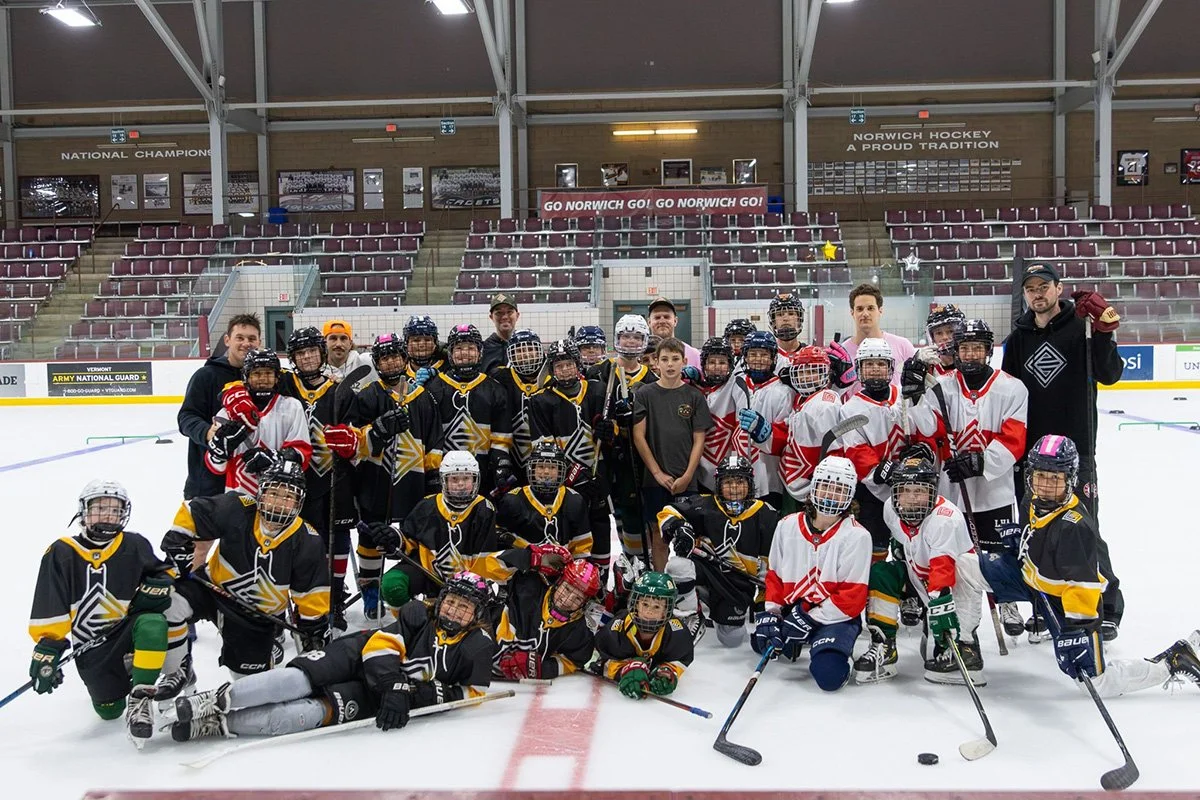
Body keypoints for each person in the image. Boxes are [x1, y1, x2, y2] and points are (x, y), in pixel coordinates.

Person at [976, 435, 1199, 697]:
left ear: (1070, 480)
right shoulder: (1030, 500)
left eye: (1055, 478)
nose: (1045, 485)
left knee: (1096, 684)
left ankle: (1173, 660)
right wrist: (1021, 543)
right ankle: (963, 645)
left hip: (1067, 603)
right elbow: (1039, 541)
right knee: (967, 567)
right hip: (1032, 582)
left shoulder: (1074, 526)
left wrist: (1076, 629)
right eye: (1040, 476)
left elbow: (1083, 587)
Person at [169, 571, 496, 741]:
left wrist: (425, 696)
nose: (453, 610)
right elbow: (380, 647)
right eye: (451, 601)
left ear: (477, 614)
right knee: (294, 680)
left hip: (379, 693)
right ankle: (212, 701)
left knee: (307, 713)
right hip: (357, 655)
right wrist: (396, 687)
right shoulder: (418, 613)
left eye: (464, 607)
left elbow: (474, 692)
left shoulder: (478, 646)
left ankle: (217, 724)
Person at [1001, 263, 1125, 641]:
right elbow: (1008, 396)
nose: (1037, 293)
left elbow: (1110, 374)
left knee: (1084, 530)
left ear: (1059, 288)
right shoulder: (1017, 340)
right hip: (1033, 458)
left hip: (1077, 453)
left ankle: (1106, 606)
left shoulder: (1082, 328)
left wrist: (1103, 334)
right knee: (1038, 533)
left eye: (1044, 286)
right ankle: (1048, 608)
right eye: (1031, 288)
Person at [28, 481, 180, 746]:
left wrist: (160, 585)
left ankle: (141, 698)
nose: (108, 516)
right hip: (92, 648)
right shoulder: (62, 552)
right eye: (100, 509)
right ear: (84, 512)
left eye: (115, 510)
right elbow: (50, 602)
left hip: (126, 633)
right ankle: (123, 679)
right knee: (109, 711)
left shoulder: (134, 544)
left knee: (152, 624)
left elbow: (163, 572)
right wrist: (48, 649)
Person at [905, 320, 1027, 638]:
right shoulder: (942, 387)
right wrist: (913, 397)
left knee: (999, 553)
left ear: (988, 351)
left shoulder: (1012, 388)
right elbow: (927, 428)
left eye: (977, 348)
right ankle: (959, 610)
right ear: (956, 351)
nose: (970, 354)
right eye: (965, 348)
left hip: (994, 489)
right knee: (956, 556)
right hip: (952, 489)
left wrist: (979, 462)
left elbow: (1014, 439)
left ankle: (1006, 601)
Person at [162, 459, 331, 680]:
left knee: (249, 685)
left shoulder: (308, 540)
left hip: (255, 617)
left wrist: (314, 625)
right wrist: (178, 539)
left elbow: (312, 593)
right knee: (168, 602)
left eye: (288, 497)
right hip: (211, 590)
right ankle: (177, 670)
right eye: (273, 493)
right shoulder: (238, 507)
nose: (279, 503)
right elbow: (193, 511)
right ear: (261, 493)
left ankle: (265, 652)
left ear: (299, 502)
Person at [327, 334, 442, 621]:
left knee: (415, 537)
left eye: (395, 356)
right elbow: (353, 443)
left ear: (404, 359)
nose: (391, 362)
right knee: (371, 537)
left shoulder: (423, 398)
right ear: (377, 364)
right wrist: (377, 430)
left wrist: (433, 477)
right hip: (374, 480)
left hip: (414, 482)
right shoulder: (368, 396)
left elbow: (434, 441)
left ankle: (416, 587)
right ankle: (371, 591)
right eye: (384, 358)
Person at [365, 451, 568, 613]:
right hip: (429, 575)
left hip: (469, 580)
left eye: (466, 478)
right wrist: (394, 538)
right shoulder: (427, 505)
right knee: (392, 584)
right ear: (443, 480)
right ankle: (412, 623)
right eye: (454, 479)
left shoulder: (484, 509)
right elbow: (408, 543)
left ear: (476, 480)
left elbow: (484, 560)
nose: (461, 484)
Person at [854, 452, 989, 685]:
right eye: (905, 490)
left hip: (956, 587)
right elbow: (902, 541)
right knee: (882, 573)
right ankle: (884, 645)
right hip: (920, 579)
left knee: (946, 643)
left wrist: (940, 609)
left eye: (919, 490)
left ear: (933, 492)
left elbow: (942, 570)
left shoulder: (945, 518)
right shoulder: (890, 510)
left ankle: (965, 647)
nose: (912, 497)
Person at [752, 456, 870, 692]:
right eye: (826, 486)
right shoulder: (787, 525)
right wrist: (773, 614)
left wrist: (809, 618)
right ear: (814, 487)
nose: (831, 495)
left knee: (829, 676)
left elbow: (852, 597)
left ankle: (831, 646)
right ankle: (798, 640)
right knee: (761, 641)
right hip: (795, 610)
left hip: (836, 617)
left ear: (850, 496)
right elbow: (775, 576)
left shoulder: (857, 536)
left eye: (840, 490)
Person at [279, 327, 356, 628]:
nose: (308, 357)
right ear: (293, 358)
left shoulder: (339, 390)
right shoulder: (285, 385)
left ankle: (334, 598)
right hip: (297, 481)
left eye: (312, 351)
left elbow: (355, 433)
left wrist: (350, 441)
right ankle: (306, 600)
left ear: (321, 354)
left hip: (336, 479)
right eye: (301, 353)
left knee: (337, 539)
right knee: (303, 543)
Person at [658, 454, 777, 647]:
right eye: (728, 482)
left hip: (737, 586)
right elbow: (667, 512)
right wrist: (680, 527)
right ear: (718, 484)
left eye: (740, 482)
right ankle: (690, 614)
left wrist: (763, 601)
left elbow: (768, 561)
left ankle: (716, 609)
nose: (734, 488)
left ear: (750, 484)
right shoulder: (704, 504)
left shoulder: (766, 514)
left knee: (732, 640)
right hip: (706, 571)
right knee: (678, 566)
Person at [529, 339, 611, 575]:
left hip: (598, 475)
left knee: (600, 525)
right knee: (571, 529)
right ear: (552, 370)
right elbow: (543, 449)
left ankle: (601, 581)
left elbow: (615, 437)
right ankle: (570, 580)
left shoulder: (597, 390)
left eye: (569, 364)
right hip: (564, 482)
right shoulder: (541, 400)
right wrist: (576, 475)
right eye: (559, 366)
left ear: (577, 364)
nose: (564, 370)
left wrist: (611, 430)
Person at [632, 337, 714, 569]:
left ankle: (686, 585)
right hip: (654, 481)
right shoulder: (645, 394)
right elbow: (639, 436)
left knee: (688, 537)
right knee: (658, 536)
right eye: (665, 359)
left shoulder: (694, 396)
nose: (670, 364)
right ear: (656, 362)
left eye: (675, 359)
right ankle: (661, 583)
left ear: (684, 362)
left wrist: (688, 476)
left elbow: (699, 439)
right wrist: (657, 473)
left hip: (686, 481)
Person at [587, 314, 657, 565]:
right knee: (601, 513)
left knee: (633, 516)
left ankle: (636, 565)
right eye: (626, 336)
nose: (630, 341)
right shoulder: (598, 372)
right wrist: (599, 425)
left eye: (636, 337)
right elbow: (585, 409)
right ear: (617, 338)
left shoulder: (651, 380)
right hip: (603, 458)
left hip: (633, 460)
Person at [740, 345, 841, 503]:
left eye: (812, 372)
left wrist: (830, 483)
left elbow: (835, 449)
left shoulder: (825, 404)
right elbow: (788, 435)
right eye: (801, 372)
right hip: (795, 481)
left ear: (825, 373)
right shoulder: (801, 399)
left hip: (817, 486)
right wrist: (764, 431)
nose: (806, 377)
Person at [207, 348, 313, 498]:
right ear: (246, 377)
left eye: (268, 373)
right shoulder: (229, 412)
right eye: (256, 373)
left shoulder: (292, 407)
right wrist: (219, 451)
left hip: (278, 497)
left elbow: (302, 453)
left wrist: (274, 457)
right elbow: (216, 468)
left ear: (277, 378)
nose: (263, 378)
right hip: (237, 496)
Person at [426, 324, 515, 497]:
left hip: (483, 474)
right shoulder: (434, 388)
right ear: (450, 353)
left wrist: (501, 463)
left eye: (471, 348)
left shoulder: (495, 389)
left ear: (480, 352)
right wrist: (433, 470)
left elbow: (501, 436)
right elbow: (430, 435)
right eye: (459, 348)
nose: (465, 353)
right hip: (446, 475)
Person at [177, 313, 261, 499]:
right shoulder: (205, 376)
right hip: (207, 483)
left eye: (251, 339)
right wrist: (207, 432)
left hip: (249, 482)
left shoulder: (264, 379)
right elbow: (186, 417)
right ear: (227, 340)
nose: (246, 343)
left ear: (259, 342)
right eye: (240, 338)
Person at [839, 338, 904, 556]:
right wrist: (881, 470)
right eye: (869, 364)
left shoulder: (903, 396)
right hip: (873, 491)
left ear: (890, 367)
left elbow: (919, 429)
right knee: (874, 550)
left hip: (910, 488)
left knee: (909, 548)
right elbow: (855, 449)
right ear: (859, 369)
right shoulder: (850, 409)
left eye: (881, 363)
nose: (875, 369)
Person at [493, 559, 600, 681]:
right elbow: (491, 567)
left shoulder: (579, 631)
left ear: (585, 603)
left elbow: (573, 660)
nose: (567, 601)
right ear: (559, 582)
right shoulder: (527, 587)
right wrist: (528, 557)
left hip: (516, 686)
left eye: (577, 599)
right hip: (483, 664)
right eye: (567, 589)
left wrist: (542, 669)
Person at [594, 571, 695, 700]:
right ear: (636, 604)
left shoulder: (677, 633)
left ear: (666, 611)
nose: (649, 611)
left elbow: (680, 659)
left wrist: (667, 672)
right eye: (645, 604)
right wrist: (624, 670)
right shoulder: (617, 628)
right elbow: (600, 658)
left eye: (657, 607)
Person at [496, 438, 593, 559]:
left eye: (552, 467)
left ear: (560, 471)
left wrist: (578, 565)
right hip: (524, 567)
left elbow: (582, 547)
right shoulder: (513, 500)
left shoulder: (574, 500)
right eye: (541, 466)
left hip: (563, 566)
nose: (546, 472)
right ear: (532, 468)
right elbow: (500, 541)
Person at [738, 331, 794, 508]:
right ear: (745, 357)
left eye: (764, 354)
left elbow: (787, 434)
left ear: (773, 359)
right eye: (753, 354)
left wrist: (765, 432)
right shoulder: (738, 383)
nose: (758, 359)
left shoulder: (783, 391)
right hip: (738, 477)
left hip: (769, 478)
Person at [692, 337, 752, 494]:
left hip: (729, 468)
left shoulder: (736, 384)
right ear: (703, 365)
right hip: (699, 469)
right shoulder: (694, 388)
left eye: (722, 362)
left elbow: (742, 431)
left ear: (730, 364)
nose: (717, 367)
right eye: (711, 362)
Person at [492, 329, 548, 482]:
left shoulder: (552, 380)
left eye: (530, 349)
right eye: (519, 351)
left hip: (547, 460)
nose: (525, 354)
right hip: (511, 458)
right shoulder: (500, 378)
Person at [839, 284, 917, 389]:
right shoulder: (843, 354)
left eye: (870, 308)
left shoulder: (903, 346)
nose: (865, 314)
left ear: (880, 311)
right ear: (852, 312)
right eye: (860, 309)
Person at [646, 297, 701, 368]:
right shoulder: (640, 356)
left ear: (675, 321)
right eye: (657, 317)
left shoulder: (694, 355)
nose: (662, 321)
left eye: (666, 317)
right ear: (649, 322)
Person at [322, 319, 376, 384]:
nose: (339, 344)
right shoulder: (318, 371)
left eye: (343, 339)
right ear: (325, 343)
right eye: (333, 338)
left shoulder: (366, 362)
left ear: (350, 344)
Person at [481, 294, 520, 374]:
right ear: (491, 317)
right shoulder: (484, 349)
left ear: (517, 315)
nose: (505, 317)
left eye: (509, 312)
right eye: (499, 313)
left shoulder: (526, 347)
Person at [403, 314, 446, 379]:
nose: (422, 345)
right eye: (416, 340)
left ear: (435, 343)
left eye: (427, 340)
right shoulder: (400, 369)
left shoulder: (448, 366)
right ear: (407, 343)